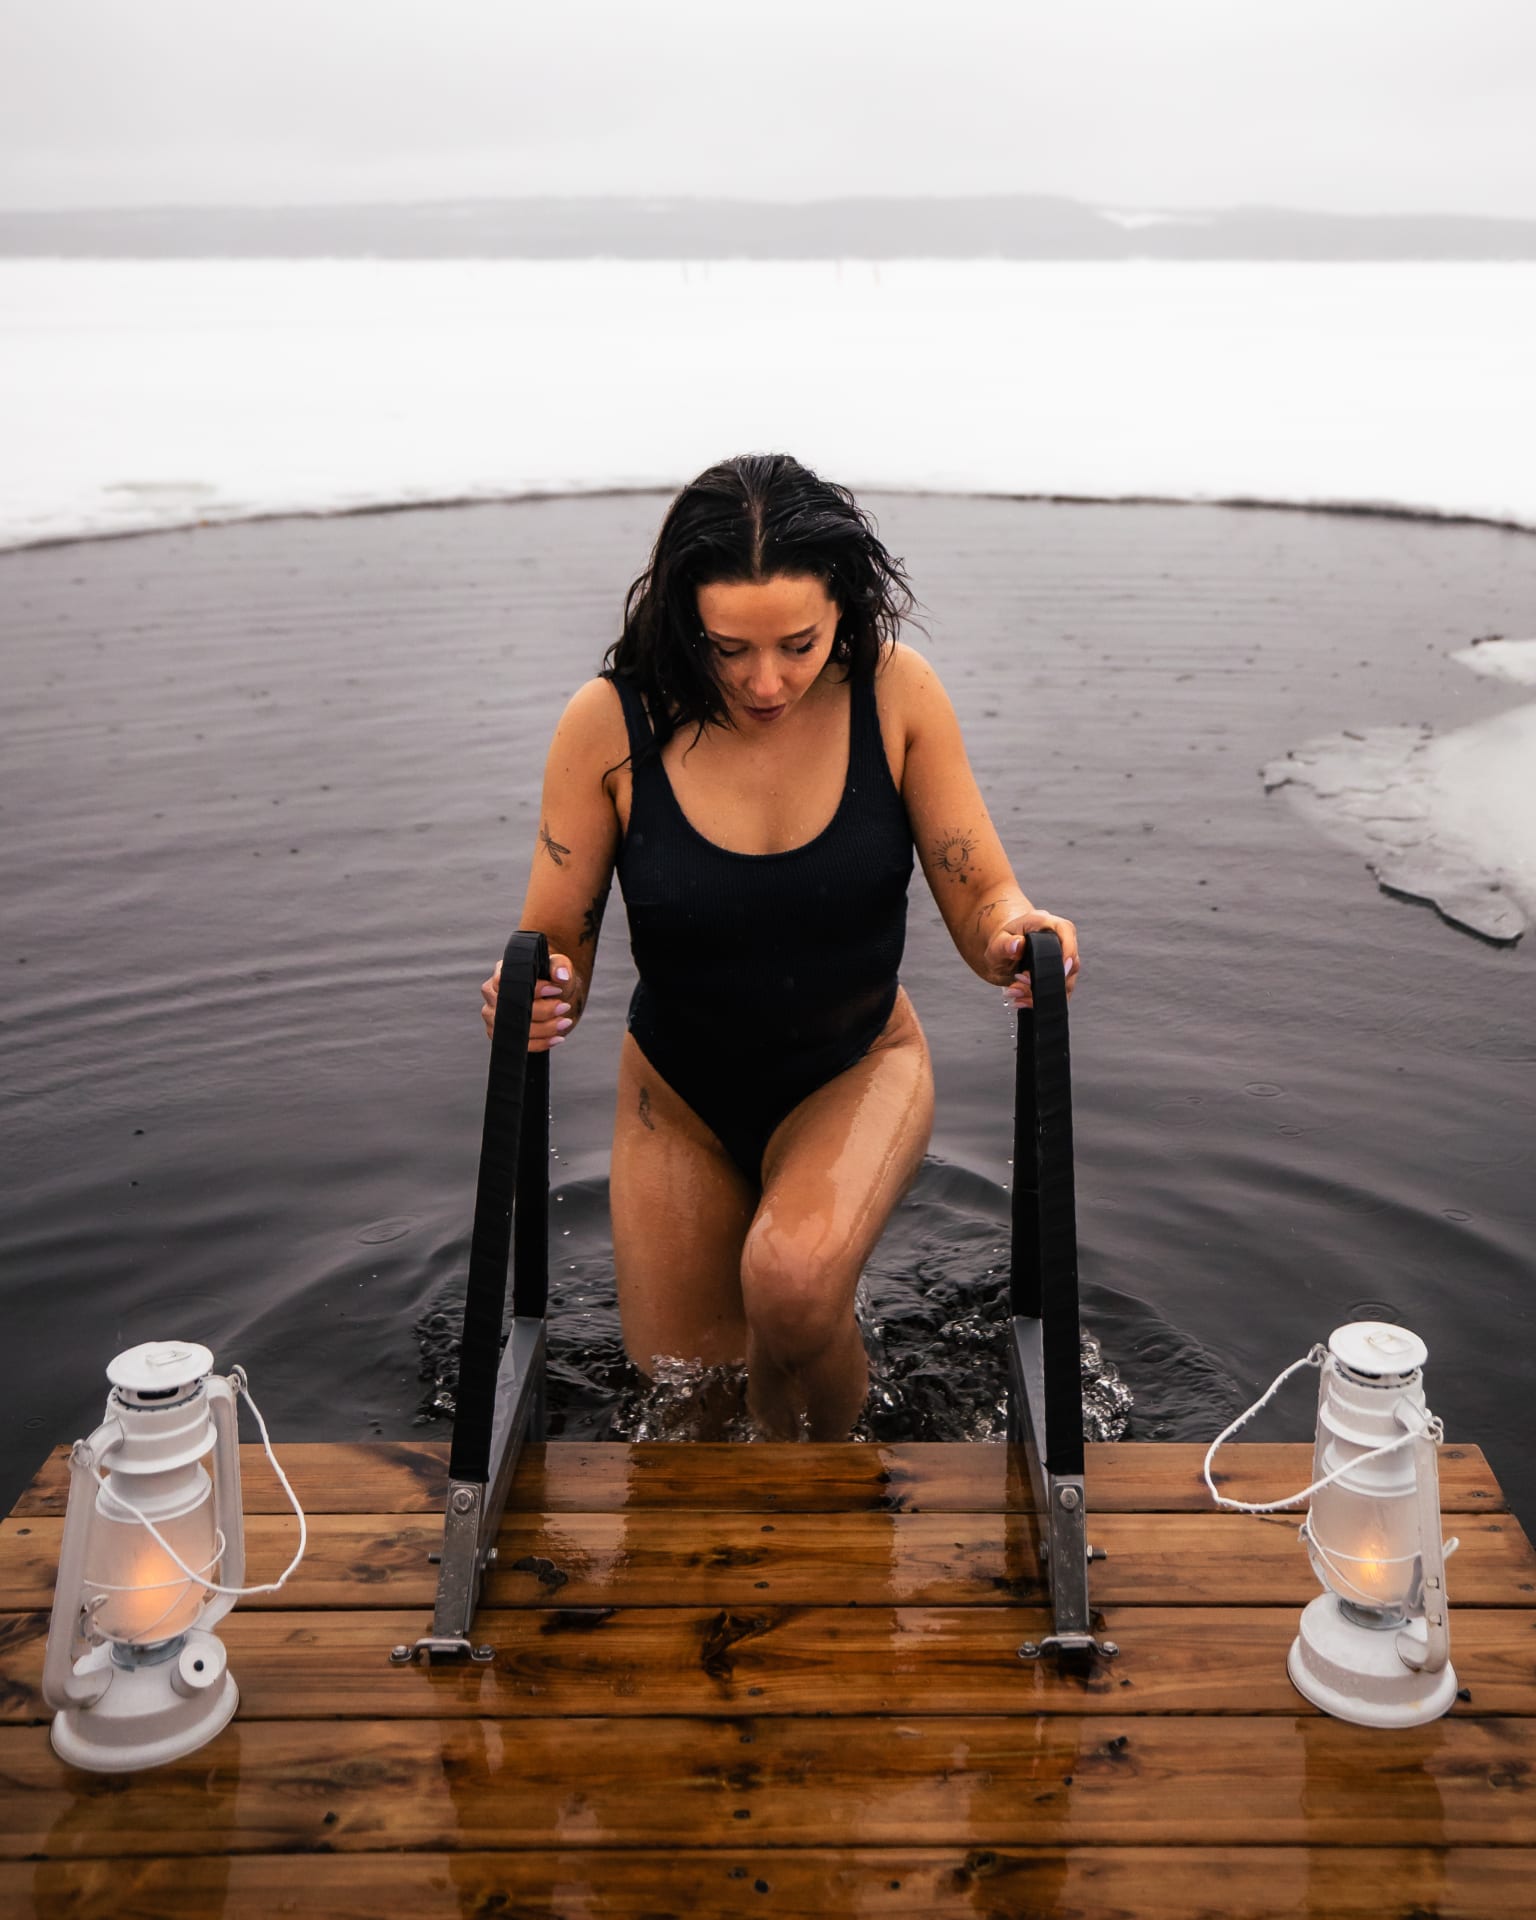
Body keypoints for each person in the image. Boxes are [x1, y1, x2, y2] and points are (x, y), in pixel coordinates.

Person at [481, 453, 1079, 1440]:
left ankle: (848, 1501)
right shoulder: (609, 724)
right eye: (728, 650)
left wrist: (1018, 930)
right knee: (690, 1406)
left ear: (845, 605)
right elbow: (557, 941)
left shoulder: (896, 697)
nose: (766, 682)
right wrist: (538, 988)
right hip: (675, 1096)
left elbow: (983, 899)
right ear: (683, 620)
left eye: (798, 645)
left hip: (856, 1068)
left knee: (792, 1284)